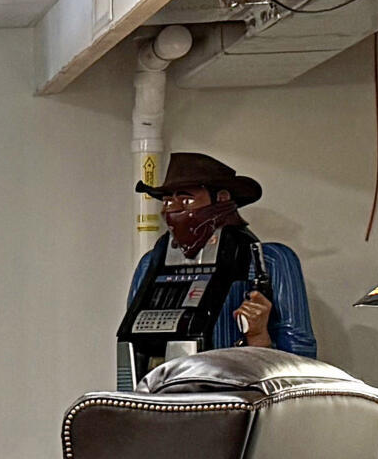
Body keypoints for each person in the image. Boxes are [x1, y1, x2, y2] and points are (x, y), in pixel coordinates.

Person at [117, 151, 316, 388]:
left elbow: (302, 366)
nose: (173, 208)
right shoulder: (150, 264)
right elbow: (131, 344)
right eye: (167, 200)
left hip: (236, 402)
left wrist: (258, 337)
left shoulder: (270, 260)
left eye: (186, 198)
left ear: (221, 199)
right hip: (157, 402)